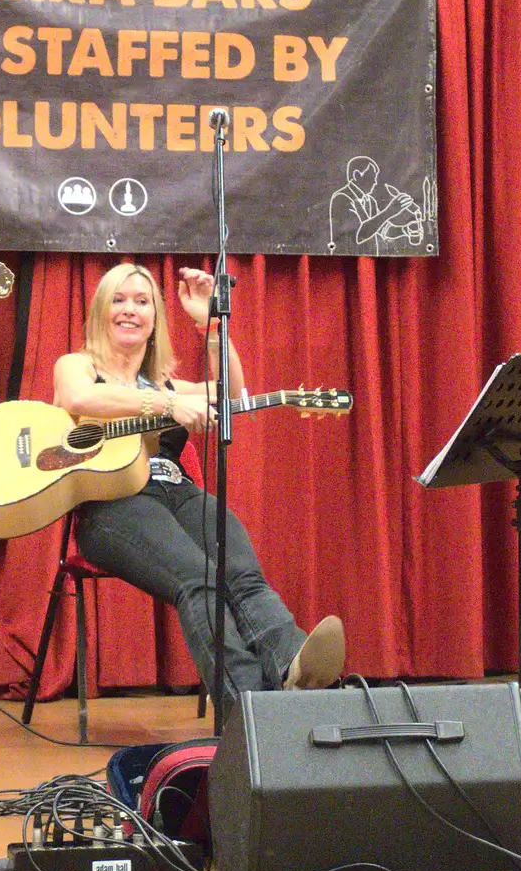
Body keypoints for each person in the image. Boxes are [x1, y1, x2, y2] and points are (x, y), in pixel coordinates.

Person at [53, 262, 344, 721]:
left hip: (178, 494)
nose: (130, 310)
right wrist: (170, 403)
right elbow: (80, 401)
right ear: (100, 312)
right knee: (200, 581)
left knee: (242, 574)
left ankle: (292, 663)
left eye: (142, 301)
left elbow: (231, 397)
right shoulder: (78, 366)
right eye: (119, 299)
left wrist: (209, 323)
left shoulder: (174, 384)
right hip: (112, 508)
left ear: (155, 320)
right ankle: (250, 713)